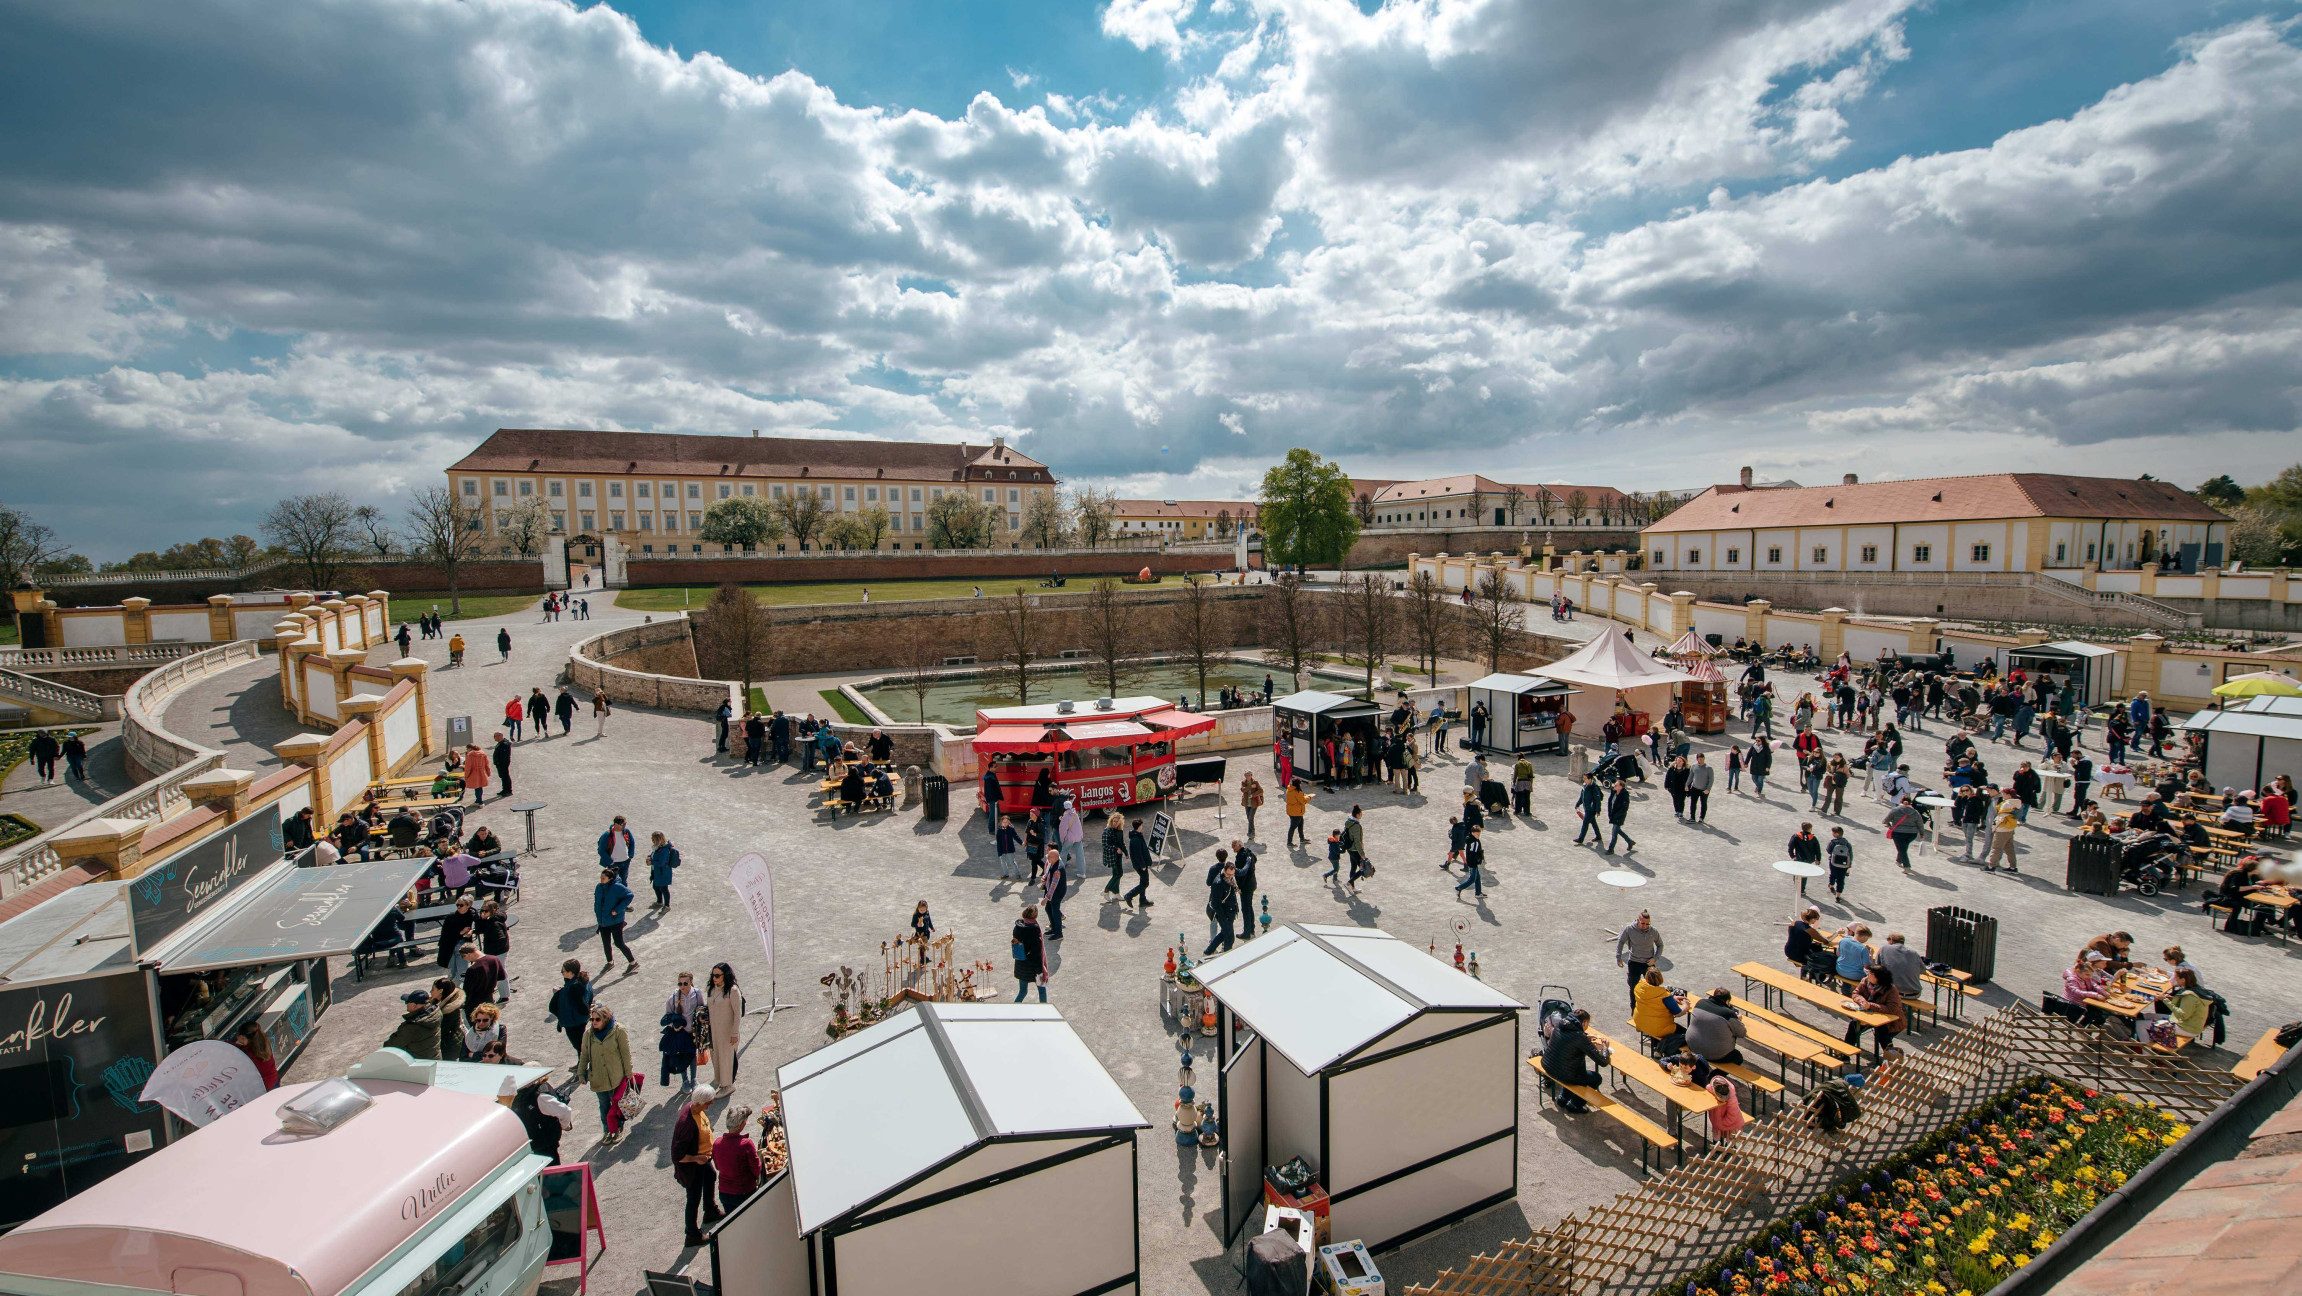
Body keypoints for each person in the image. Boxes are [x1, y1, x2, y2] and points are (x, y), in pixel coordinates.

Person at [671, 1085, 722, 1246]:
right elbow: (677, 1156)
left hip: (702, 1160)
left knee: (711, 1176)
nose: (711, 1104)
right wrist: (696, 1158)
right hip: (692, 1166)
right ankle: (691, 1234)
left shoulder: (694, 1108)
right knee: (693, 1198)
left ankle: (710, 1210)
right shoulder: (686, 1124)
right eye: (709, 1102)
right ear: (700, 1102)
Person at [1539, 1008, 1611, 1113]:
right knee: (1595, 1078)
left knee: (1570, 1069)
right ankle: (1575, 1104)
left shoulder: (1559, 1026)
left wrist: (1586, 1037)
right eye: (1588, 1024)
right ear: (1584, 1022)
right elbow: (1603, 1062)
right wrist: (1605, 1047)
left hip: (1548, 1065)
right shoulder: (1580, 1037)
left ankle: (1562, 1098)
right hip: (1564, 1074)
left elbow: (1569, 1040)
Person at [512, 1073, 575, 1165]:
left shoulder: (514, 1098)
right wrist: (564, 1126)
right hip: (545, 1143)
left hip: (529, 1144)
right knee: (552, 1169)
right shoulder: (540, 1097)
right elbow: (565, 1111)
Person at [712, 1106, 765, 1216]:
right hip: (744, 1191)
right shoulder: (746, 1144)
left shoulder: (717, 1143)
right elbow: (756, 1169)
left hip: (725, 1192)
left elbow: (717, 1166)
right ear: (741, 1125)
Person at [1844, 966, 1903, 1052]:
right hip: (1867, 1014)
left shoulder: (1891, 989)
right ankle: (1846, 1052)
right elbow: (1855, 993)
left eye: (1870, 973)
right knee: (1854, 1025)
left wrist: (1870, 1006)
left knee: (1882, 1030)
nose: (1867, 974)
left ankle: (1890, 1055)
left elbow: (1892, 1008)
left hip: (1888, 1019)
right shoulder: (1865, 981)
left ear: (1878, 977)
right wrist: (1861, 1000)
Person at [1685, 989, 1747, 1064]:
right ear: (1727, 1001)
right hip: (1715, 1055)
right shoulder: (1728, 1014)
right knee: (1738, 1057)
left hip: (1693, 1046)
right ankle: (1714, 1072)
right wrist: (1737, 1019)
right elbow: (1742, 1033)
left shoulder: (1700, 1003)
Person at [548, 959, 595, 1056]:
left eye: (563, 971)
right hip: (580, 1019)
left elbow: (553, 1007)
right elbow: (589, 996)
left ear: (571, 972)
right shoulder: (584, 981)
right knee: (581, 1043)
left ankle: (585, 1062)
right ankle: (582, 1061)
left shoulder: (572, 989)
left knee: (579, 1045)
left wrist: (559, 994)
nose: (561, 972)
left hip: (573, 1022)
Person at [594, 867, 637, 972]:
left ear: (610, 878)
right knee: (606, 943)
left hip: (615, 921)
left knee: (619, 943)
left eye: (603, 878)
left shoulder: (617, 887)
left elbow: (629, 895)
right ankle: (610, 962)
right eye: (601, 877)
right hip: (603, 921)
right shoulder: (599, 887)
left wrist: (617, 910)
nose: (601, 880)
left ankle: (633, 963)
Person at [1631, 968, 1684, 1053]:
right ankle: (1667, 1051)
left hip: (1640, 1022)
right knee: (1685, 1034)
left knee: (1654, 1024)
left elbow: (1652, 1001)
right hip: (1659, 1029)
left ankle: (1656, 1045)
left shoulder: (1639, 987)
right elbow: (1678, 1013)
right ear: (1660, 978)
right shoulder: (1664, 995)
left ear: (1646, 977)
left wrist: (1672, 998)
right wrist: (1686, 1006)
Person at [387, 990, 444, 1060]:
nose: (406, 1004)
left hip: (419, 1064)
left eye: (407, 1002)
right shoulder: (435, 1013)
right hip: (435, 1059)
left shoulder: (412, 1026)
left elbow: (391, 1046)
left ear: (414, 1005)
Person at [1203, 852, 1239, 956]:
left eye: (1232, 875)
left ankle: (1208, 952)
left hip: (1231, 912)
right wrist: (1223, 918)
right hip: (1224, 914)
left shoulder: (1230, 879)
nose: (1230, 877)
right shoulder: (1218, 883)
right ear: (1224, 871)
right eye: (1228, 874)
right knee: (1230, 938)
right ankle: (1226, 956)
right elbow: (1215, 904)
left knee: (1224, 934)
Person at [1875, 932, 1926, 1003]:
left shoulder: (1884, 949)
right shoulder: (1914, 953)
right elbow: (1923, 970)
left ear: (1891, 940)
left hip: (1892, 992)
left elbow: (1876, 967)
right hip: (1913, 994)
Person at [1012, 905, 1047, 1002]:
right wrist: (1041, 970)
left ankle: (1012, 1009)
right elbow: (1036, 953)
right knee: (1042, 991)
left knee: (1022, 991)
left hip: (1021, 965)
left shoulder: (1017, 928)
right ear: (1035, 916)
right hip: (1034, 967)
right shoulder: (1034, 930)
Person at [659, 1006, 698, 1092]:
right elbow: (666, 1018)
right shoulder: (671, 1000)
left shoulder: (695, 995)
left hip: (691, 1032)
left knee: (692, 1054)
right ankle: (685, 1081)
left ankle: (694, 1079)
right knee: (680, 1057)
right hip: (677, 1036)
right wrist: (674, 1024)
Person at [233, 1023, 280, 1090]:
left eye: (237, 1038)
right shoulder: (264, 1042)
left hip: (263, 1087)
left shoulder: (247, 1053)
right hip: (274, 1080)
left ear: (242, 1037)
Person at [1123, 819, 1155, 909]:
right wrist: (1143, 865)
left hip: (1142, 864)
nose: (1142, 827)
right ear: (1139, 827)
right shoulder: (1135, 839)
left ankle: (1142, 900)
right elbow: (1138, 854)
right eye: (1141, 825)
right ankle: (1129, 895)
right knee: (1145, 883)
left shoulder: (1137, 835)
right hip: (1140, 865)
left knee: (1143, 881)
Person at [1884, 797, 1922, 870]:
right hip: (1912, 834)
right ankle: (1899, 861)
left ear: (1901, 802)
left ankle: (1907, 866)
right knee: (1903, 847)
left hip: (1898, 833)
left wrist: (1890, 826)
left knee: (1902, 849)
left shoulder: (1895, 810)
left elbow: (1885, 821)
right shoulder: (1915, 812)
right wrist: (1922, 834)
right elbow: (1920, 824)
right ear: (1910, 803)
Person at [647, 832, 682, 910]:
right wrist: (649, 857)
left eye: (653, 839)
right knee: (656, 887)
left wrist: (651, 862)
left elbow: (661, 863)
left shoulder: (664, 850)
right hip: (656, 872)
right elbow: (654, 855)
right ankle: (659, 902)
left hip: (663, 873)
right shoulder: (657, 847)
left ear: (659, 839)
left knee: (664, 889)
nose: (652, 840)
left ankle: (667, 905)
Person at [1786, 823, 1822, 896]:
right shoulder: (1813, 838)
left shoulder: (1796, 836)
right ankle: (1802, 890)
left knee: (1796, 872)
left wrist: (1792, 856)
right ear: (1810, 829)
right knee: (1804, 875)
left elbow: (1790, 846)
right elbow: (1817, 849)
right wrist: (1818, 859)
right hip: (1808, 859)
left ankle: (1797, 885)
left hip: (1798, 858)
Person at [1040, 847, 1068, 940]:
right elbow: (1048, 873)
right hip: (1053, 892)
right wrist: (1044, 878)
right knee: (1048, 909)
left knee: (1055, 912)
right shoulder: (1053, 862)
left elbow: (1053, 886)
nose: (1047, 858)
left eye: (1049, 857)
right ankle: (1054, 929)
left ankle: (1059, 934)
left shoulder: (1057, 869)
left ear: (1055, 857)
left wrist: (1046, 898)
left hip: (1057, 893)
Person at [598, 815, 637, 883]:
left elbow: (632, 842)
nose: (624, 826)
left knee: (624, 881)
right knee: (613, 882)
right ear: (616, 824)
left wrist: (630, 855)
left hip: (625, 861)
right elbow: (601, 850)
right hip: (614, 864)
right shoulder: (607, 834)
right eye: (622, 824)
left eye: (625, 824)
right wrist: (610, 862)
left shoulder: (626, 831)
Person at [1342, 805, 1370, 893]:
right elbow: (1357, 842)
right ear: (1357, 815)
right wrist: (1362, 854)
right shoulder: (1356, 826)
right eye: (1361, 814)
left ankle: (1352, 887)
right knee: (1364, 868)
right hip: (1355, 850)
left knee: (1353, 867)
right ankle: (1349, 883)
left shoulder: (1348, 821)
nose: (1362, 815)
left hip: (1349, 848)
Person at [1455, 824, 1487, 899]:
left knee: (1477, 877)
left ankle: (1478, 893)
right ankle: (1459, 888)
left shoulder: (1470, 838)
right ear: (1472, 833)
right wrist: (1478, 860)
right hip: (1473, 863)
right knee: (1472, 879)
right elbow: (1473, 854)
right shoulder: (1475, 842)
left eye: (1479, 834)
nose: (1478, 836)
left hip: (1470, 862)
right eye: (1477, 834)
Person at [1604, 778, 1636, 854]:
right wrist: (1610, 813)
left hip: (1619, 816)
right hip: (1613, 815)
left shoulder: (1624, 795)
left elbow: (1624, 808)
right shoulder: (1613, 792)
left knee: (1614, 833)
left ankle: (1611, 849)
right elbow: (1610, 803)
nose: (1614, 786)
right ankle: (1629, 841)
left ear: (1621, 787)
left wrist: (1616, 815)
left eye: (1616, 785)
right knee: (1617, 830)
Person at [1101, 813, 1127, 899]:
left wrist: (1125, 852)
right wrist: (1116, 849)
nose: (1115, 823)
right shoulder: (1107, 831)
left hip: (1118, 855)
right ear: (1111, 821)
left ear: (1120, 822)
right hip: (1112, 856)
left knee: (1116, 874)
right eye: (1114, 821)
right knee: (1118, 874)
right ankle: (1106, 891)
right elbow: (1105, 845)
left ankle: (1116, 892)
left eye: (1117, 821)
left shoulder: (1119, 830)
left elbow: (1121, 842)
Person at [1825, 826, 1853, 900]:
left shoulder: (1833, 842)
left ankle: (1831, 885)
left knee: (1833, 874)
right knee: (1841, 879)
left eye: (1833, 833)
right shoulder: (1847, 844)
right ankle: (1838, 896)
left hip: (1833, 862)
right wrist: (1849, 864)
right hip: (1844, 864)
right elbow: (1851, 855)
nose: (1832, 834)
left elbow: (1828, 850)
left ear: (1836, 834)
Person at [1686, 753, 1714, 823]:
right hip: (1694, 788)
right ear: (1697, 759)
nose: (1701, 760)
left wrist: (1708, 789)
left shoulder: (1709, 768)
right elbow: (1690, 776)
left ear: (1704, 758)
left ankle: (1702, 818)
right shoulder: (1694, 766)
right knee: (1693, 803)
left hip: (1704, 790)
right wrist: (1686, 785)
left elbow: (1711, 779)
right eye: (1699, 759)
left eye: (1702, 759)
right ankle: (1692, 817)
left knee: (1703, 803)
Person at [1284, 779, 1310, 848]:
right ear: (1297, 784)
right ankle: (1289, 843)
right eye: (1300, 783)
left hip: (1292, 811)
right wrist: (1309, 797)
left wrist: (1303, 795)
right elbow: (1303, 801)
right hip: (1297, 812)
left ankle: (1302, 839)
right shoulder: (1297, 792)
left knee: (1300, 825)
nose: (1301, 785)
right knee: (1292, 827)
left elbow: (1299, 798)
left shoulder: (1289, 789)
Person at [1240, 771, 1264, 840]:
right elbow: (1243, 790)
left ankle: (1252, 833)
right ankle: (1250, 832)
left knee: (1250, 818)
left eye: (1249, 775)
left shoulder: (1255, 782)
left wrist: (1253, 795)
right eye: (1246, 775)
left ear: (1251, 775)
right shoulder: (1243, 782)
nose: (1247, 777)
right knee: (1249, 818)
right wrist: (1250, 786)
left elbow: (1261, 790)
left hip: (1254, 803)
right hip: (1246, 803)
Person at [491, 729, 514, 797]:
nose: (494, 738)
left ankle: (508, 790)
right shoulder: (501, 743)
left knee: (505, 777)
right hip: (500, 764)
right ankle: (504, 789)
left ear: (499, 736)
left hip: (503, 764)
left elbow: (504, 756)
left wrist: (499, 763)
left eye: (495, 736)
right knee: (503, 777)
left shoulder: (504, 744)